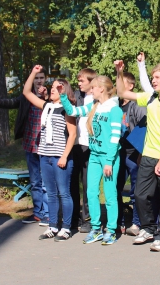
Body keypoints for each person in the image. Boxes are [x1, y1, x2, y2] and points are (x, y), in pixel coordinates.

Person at [115, 57, 160, 252]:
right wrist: (119, 72)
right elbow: (122, 92)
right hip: (149, 154)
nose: (153, 80)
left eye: (157, 77)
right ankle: (148, 228)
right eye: (152, 77)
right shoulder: (150, 97)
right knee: (141, 194)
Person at [0, 68, 50, 225]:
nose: (39, 80)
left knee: (46, 182)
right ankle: (38, 213)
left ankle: (48, 214)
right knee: (35, 181)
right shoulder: (27, 96)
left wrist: (46, 97)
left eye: (41, 77)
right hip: (30, 143)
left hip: (46, 146)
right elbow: (12, 102)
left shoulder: (51, 95)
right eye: (36, 77)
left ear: (45, 79)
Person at [59, 74, 123, 246]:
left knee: (110, 195)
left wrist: (109, 161)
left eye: (93, 87)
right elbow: (73, 112)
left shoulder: (114, 109)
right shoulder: (94, 106)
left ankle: (111, 230)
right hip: (94, 155)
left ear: (101, 89)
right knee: (91, 192)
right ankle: (96, 229)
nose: (90, 90)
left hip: (109, 157)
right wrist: (63, 96)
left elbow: (115, 138)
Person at [23, 66, 77, 241]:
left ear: (63, 90)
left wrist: (64, 156)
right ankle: (53, 226)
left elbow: (72, 134)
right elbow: (26, 92)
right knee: (51, 193)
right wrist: (33, 73)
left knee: (64, 193)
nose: (52, 89)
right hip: (44, 155)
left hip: (60, 157)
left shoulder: (67, 109)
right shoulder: (47, 106)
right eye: (52, 87)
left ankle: (66, 227)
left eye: (56, 87)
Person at [116, 71, 146, 236]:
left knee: (136, 190)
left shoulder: (138, 105)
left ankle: (136, 223)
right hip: (119, 152)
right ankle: (118, 221)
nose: (117, 87)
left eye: (122, 84)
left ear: (131, 86)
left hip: (134, 154)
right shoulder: (115, 105)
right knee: (115, 188)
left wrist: (141, 152)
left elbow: (145, 128)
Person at [71, 68, 96, 234]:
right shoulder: (76, 96)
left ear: (91, 82)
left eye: (82, 81)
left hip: (90, 146)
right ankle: (74, 218)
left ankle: (88, 219)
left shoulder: (98, 98)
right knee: (73, 183)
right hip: (75, 145)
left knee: (88, 185)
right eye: (78, 81)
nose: (79, 84)